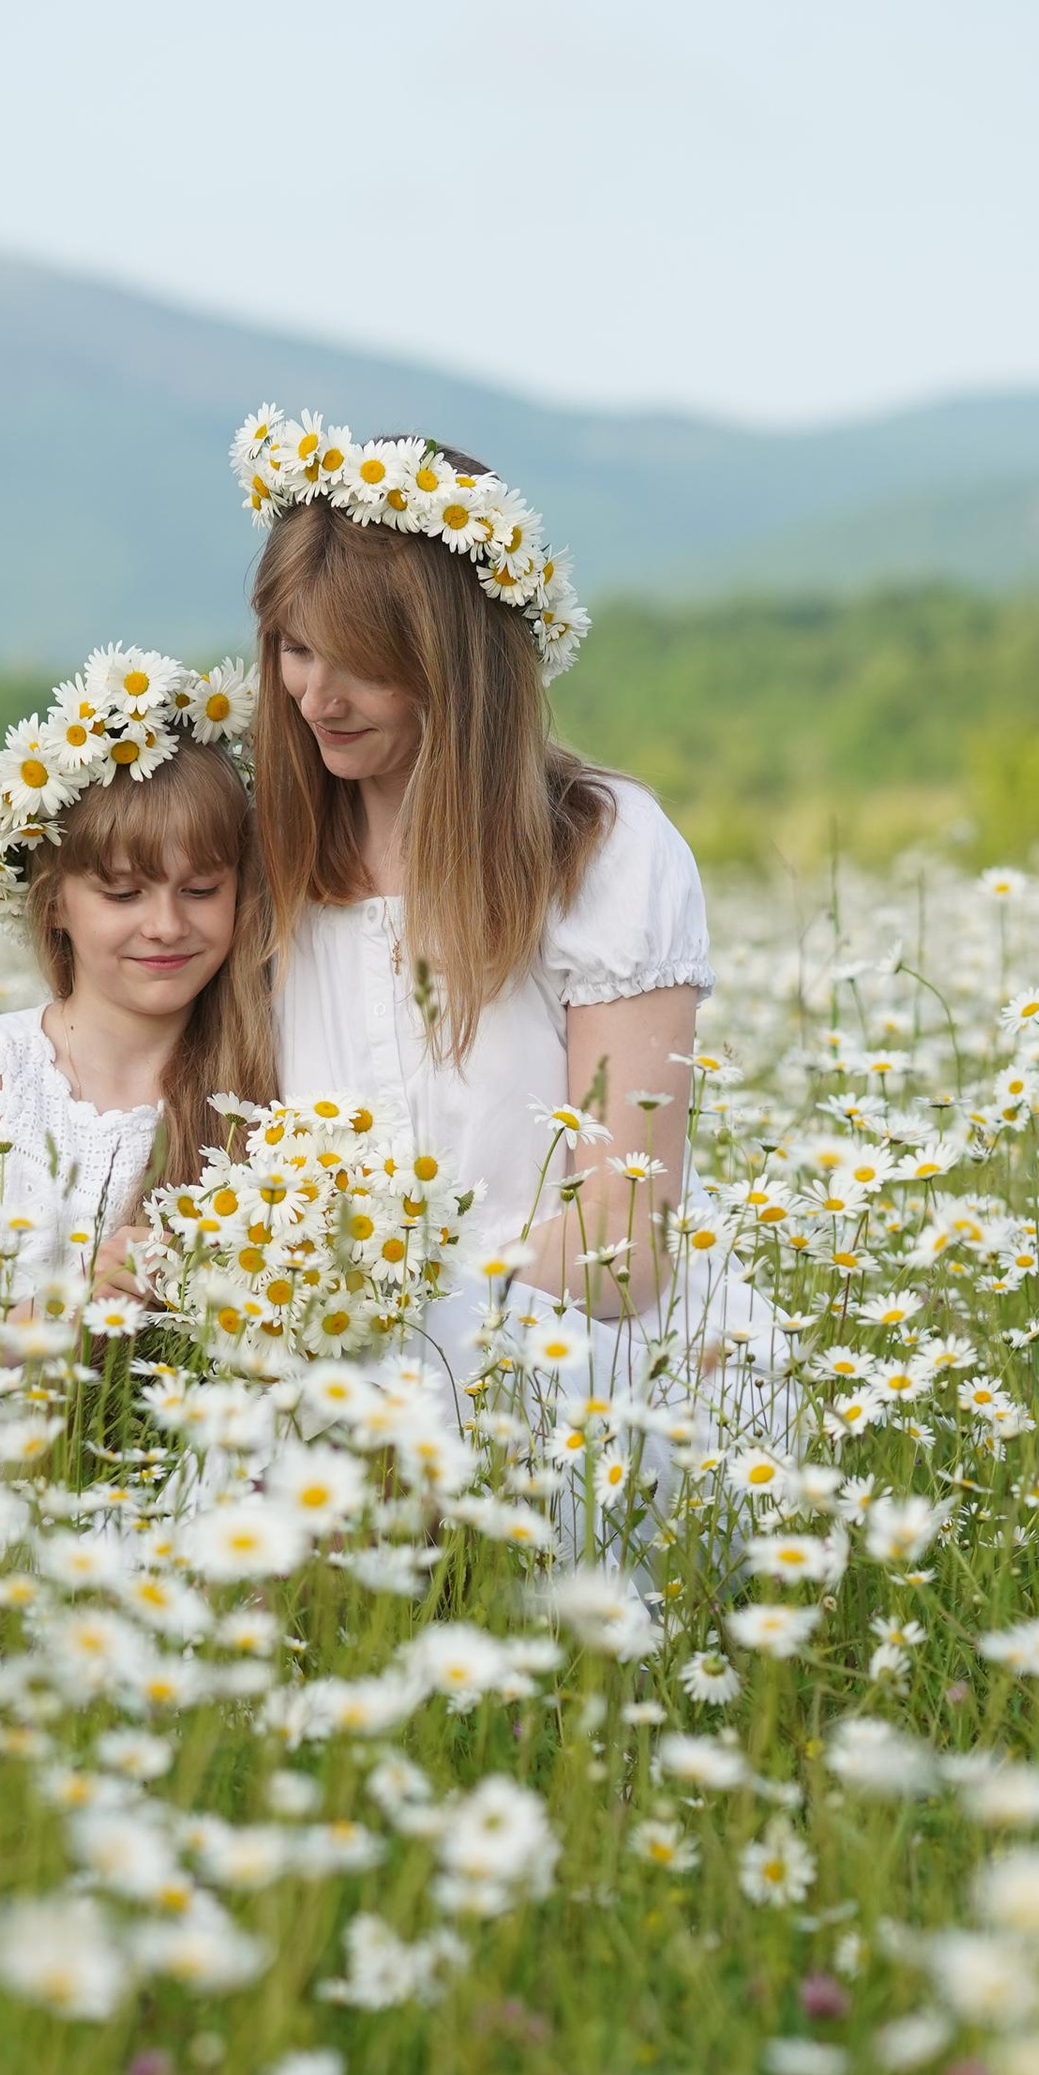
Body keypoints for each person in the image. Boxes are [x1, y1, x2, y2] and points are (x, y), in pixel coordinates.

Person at [233, 409, 784, 1453]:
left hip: (575, 1354)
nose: (315, 695)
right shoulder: (271, 859)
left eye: (360, 659)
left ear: (456, 657)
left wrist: (430, 1347)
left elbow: (624, 1237)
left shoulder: (599, 846)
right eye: (294, 649)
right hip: (325, 1358)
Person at [0, 646, 275, 1312]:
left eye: (199, 889)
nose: (165, 925)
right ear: (55, 904)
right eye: (124, 894)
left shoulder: (257, 1084)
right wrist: (77, 1306)